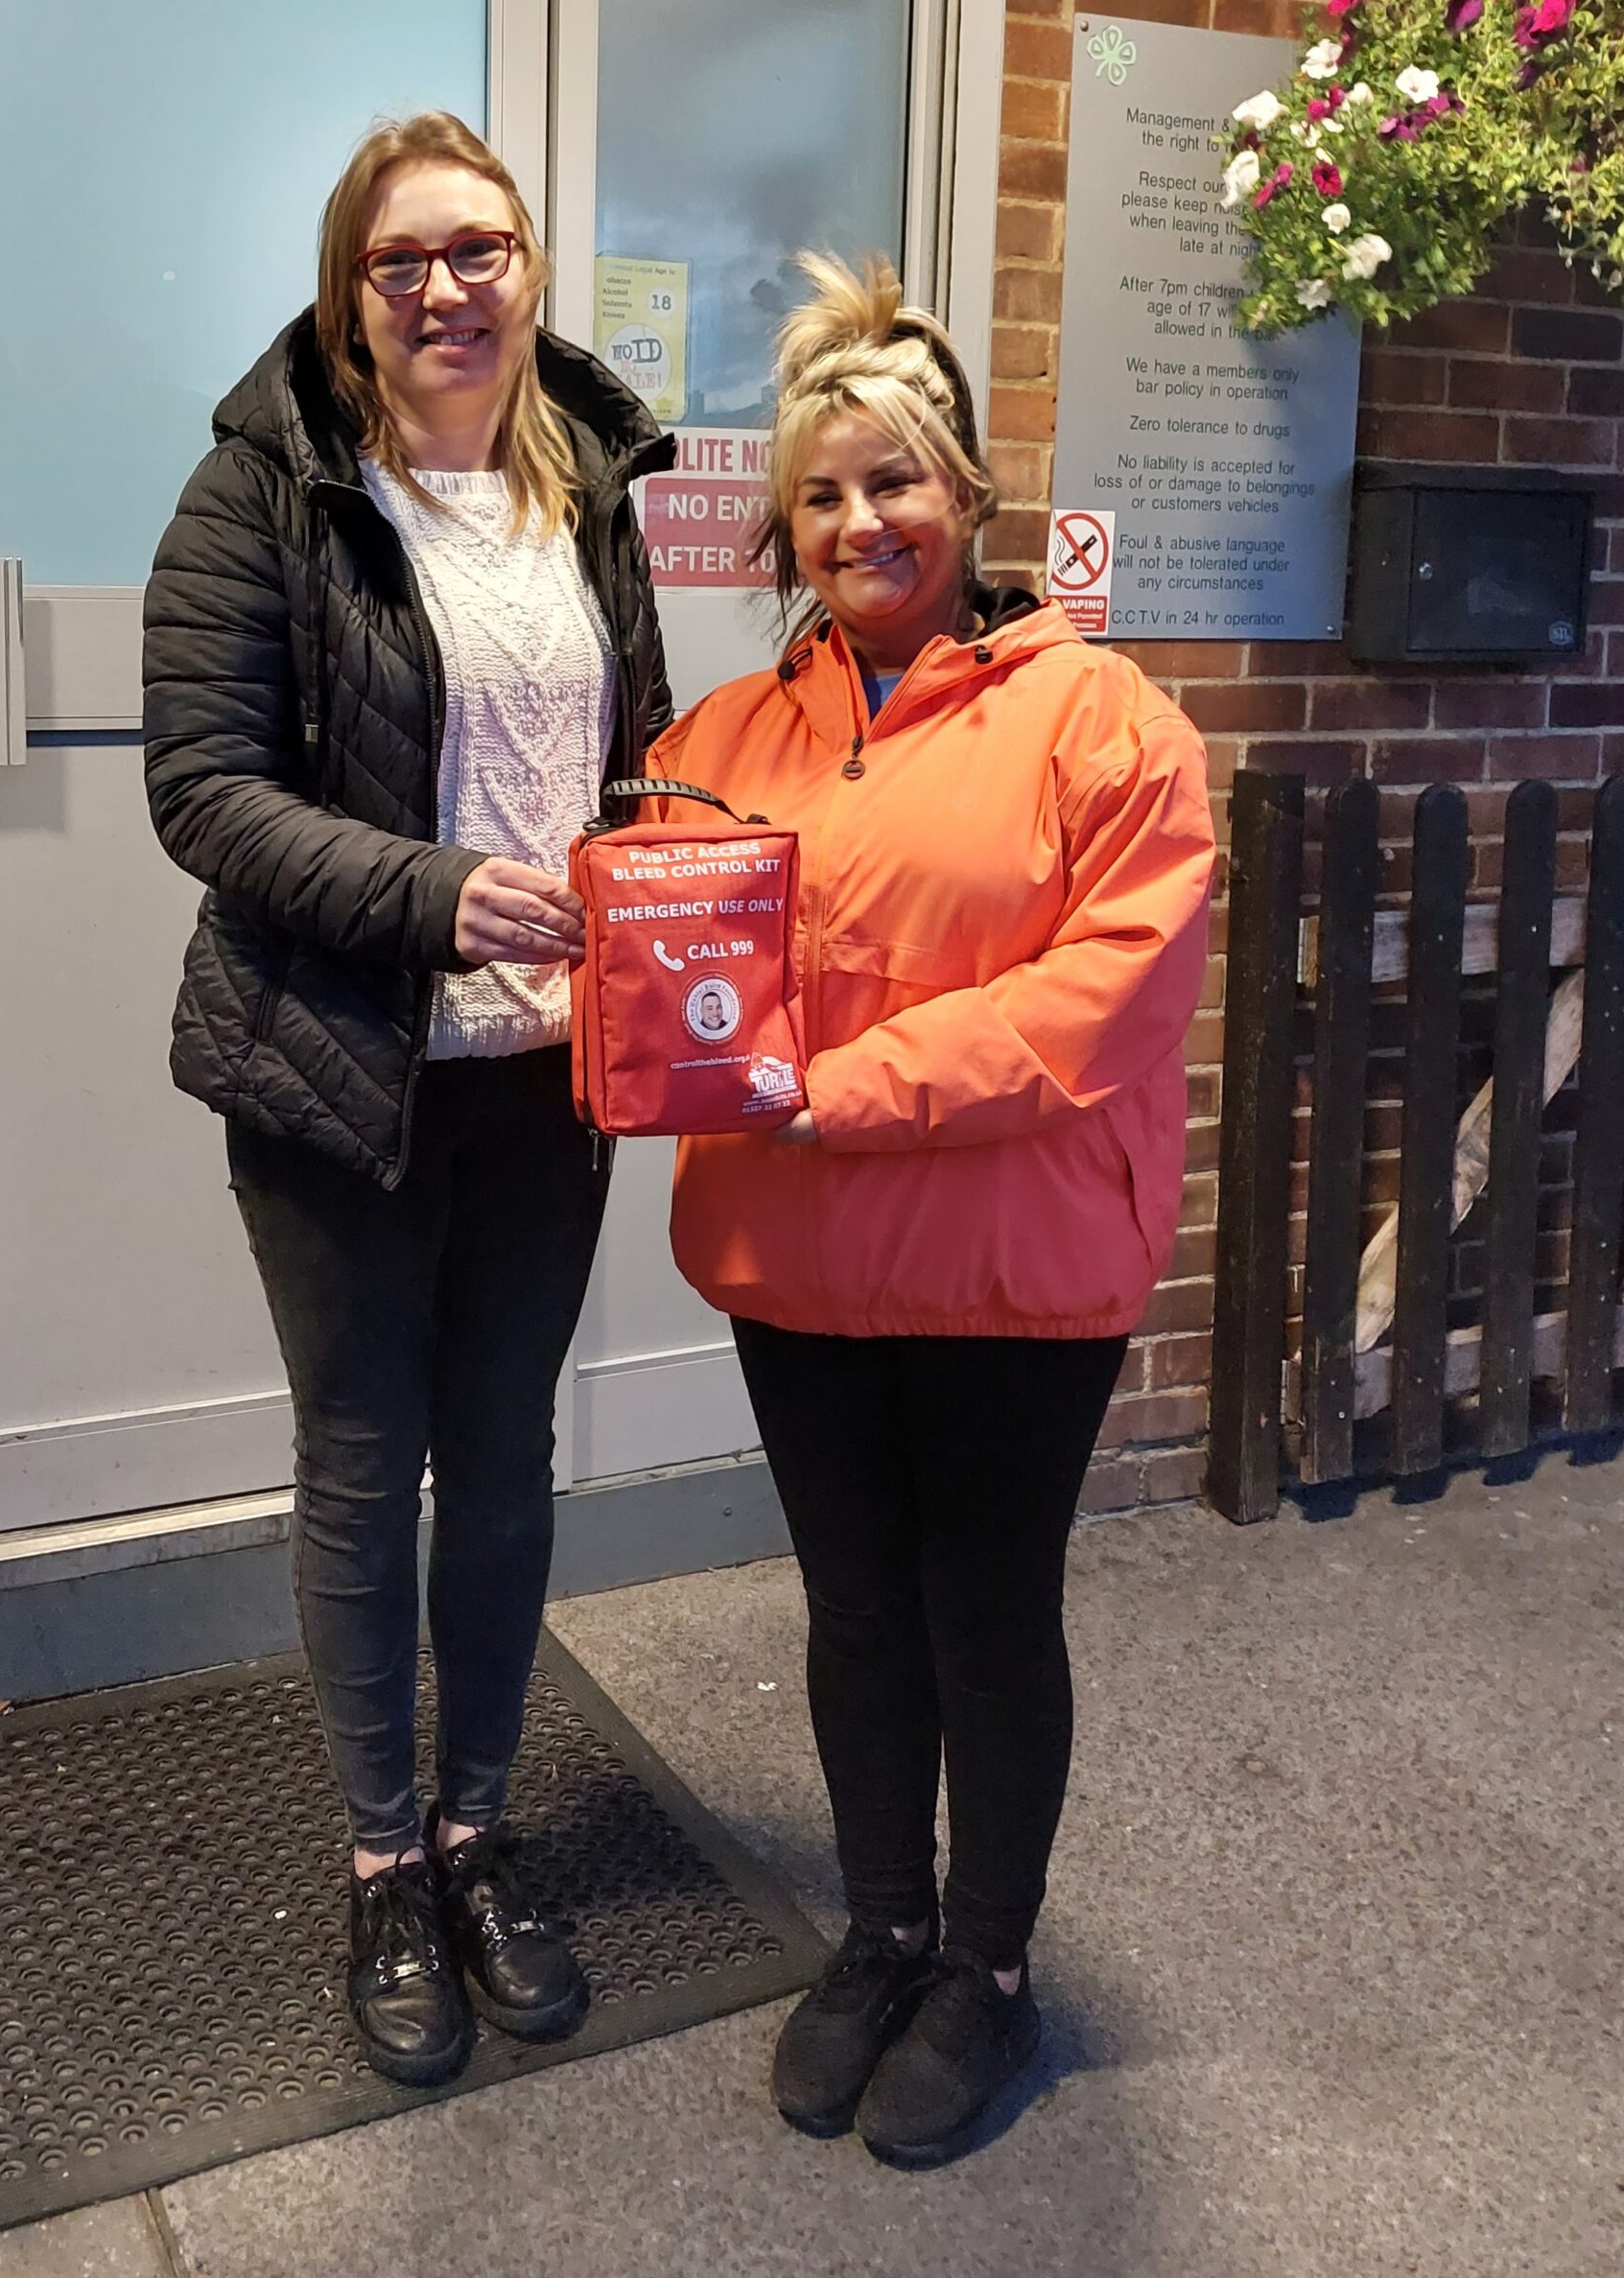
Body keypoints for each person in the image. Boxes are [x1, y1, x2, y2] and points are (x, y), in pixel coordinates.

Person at [647, 253, 1214, 2168]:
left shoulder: (1104, 724)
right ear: (782, 527)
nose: (858, 521)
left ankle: (984, 1968)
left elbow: (1103, 994)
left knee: (982, 1616)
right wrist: (593, 987)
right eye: (820, 492)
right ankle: (880, 1928)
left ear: (963, 492)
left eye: (891, 480)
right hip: (793, 1262)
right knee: (854, 1613)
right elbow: (668, 977)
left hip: (1007, 1260)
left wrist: (838, 1087)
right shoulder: (721, 740)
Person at [141, 112, 672, 2087]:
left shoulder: (583, 489)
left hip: (551, 1076)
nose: (448, 289)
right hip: (338, 1066)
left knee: (508, 1459)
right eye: (404, 260)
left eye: (483, 250)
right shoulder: (263, 487)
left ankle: (476, 1834)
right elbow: (202, 793)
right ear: (348, 285)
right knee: (365, 1467)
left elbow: (637, 748)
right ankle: (379, 1859)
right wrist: (442, 899)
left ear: (529, 270)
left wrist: (668, 883)